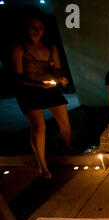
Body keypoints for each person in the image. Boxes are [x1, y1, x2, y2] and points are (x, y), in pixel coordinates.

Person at [11, 10, 76, 179]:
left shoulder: (49, 46)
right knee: (39, 127)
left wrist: (61, 77)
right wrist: (38, 84)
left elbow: (57, 67)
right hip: (28, 90)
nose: (37, 30)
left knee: (65, 122)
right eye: (33, 27)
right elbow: (17, 76)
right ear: (25, 28)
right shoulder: (20, 48)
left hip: (49, 88)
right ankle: (42, 164)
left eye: (40, 27)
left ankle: (67, 146)